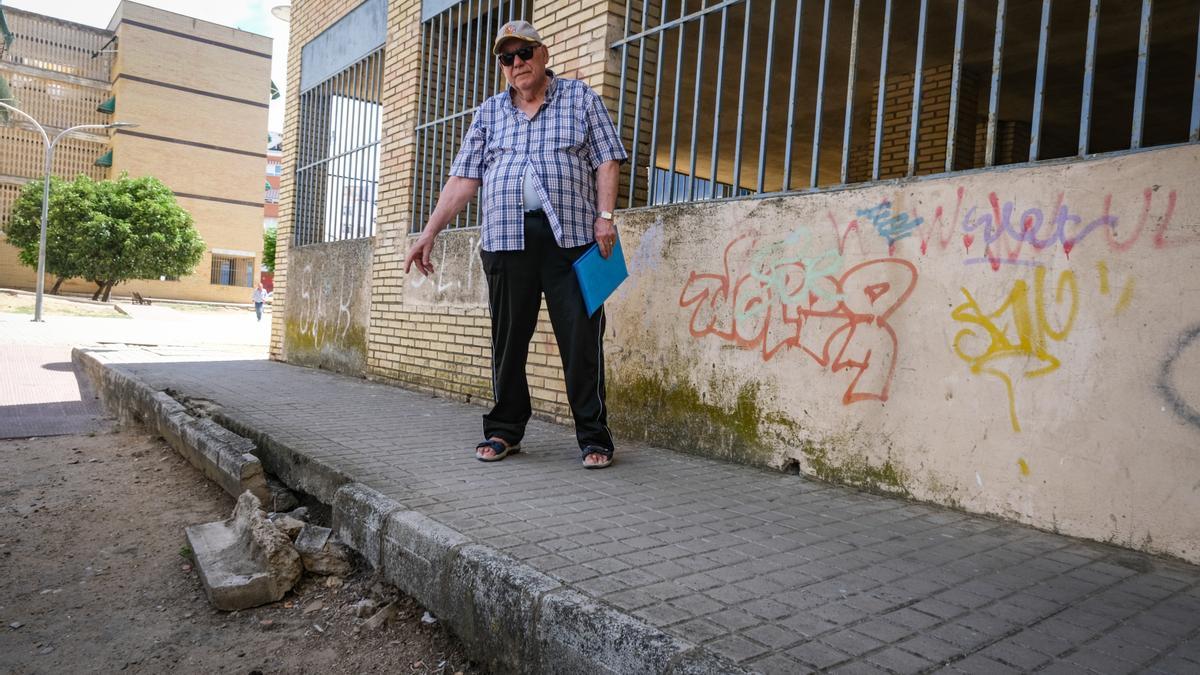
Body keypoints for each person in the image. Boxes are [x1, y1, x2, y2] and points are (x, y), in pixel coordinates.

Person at [403, 20, 626, 469]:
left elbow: (606, 158)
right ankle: (505, 430)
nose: (517, 63)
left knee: (582, 340)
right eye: (507, 58)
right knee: (508, 341)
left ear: (543, 54)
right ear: (502, 67)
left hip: (573, 240)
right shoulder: (489, 113)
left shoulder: (580, 98)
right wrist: (429, 232)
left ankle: (593, 435)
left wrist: (605, 217)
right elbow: (463, 179)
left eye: (524, 52)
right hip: (506, 240)